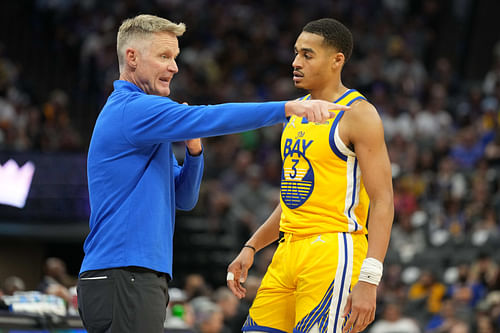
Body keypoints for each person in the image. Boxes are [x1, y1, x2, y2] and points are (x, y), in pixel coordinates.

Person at [76, 14, 349, 333]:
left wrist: (194, 152)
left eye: (175, 58)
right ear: (132, 57)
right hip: (125, 273)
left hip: (128, 275)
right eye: (164, 56)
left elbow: (184, 198)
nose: (174, 67)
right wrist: (286, 109)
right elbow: (211, 116)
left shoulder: (141, 119)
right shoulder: (132, 109)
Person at [227, 18, 394, 333]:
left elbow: (383, 200)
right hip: (287, 250)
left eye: (307, 54)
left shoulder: (359, 114)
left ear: (337, 60)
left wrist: (369, 279)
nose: (295, 63)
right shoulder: (297, 111)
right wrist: (251, 247)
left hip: (333, 250)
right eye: (295, 53)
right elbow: (293, 199)